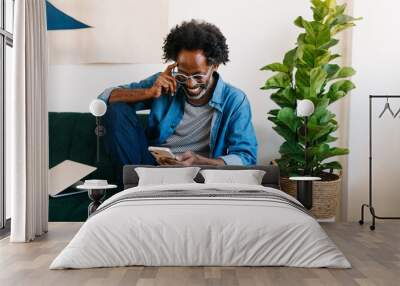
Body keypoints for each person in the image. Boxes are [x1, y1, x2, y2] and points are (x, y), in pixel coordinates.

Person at [98, 19, 257, 168]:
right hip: (153, 166)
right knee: (116, 110)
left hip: (200, 172)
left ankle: (140, 186)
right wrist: (149, 92)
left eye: (197, 75)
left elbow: (246, 157)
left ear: (214, 66)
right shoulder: (165, 82)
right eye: (182, 74)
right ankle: (135, 186)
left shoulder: (235, 100)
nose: (190, 83)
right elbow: (104, 99)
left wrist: (201, 162)